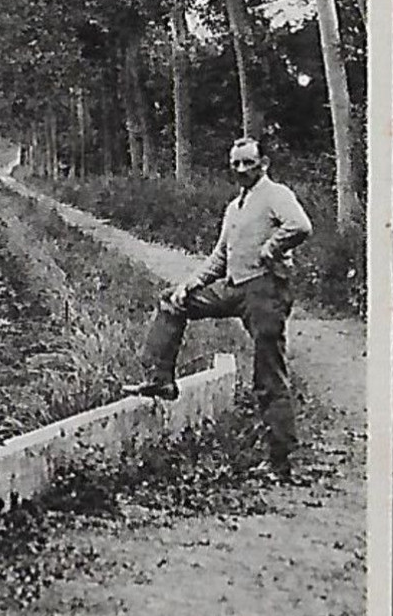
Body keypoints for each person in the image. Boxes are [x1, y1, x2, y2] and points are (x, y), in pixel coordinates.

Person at [122, 136, 312, 479]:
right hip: (234, 287)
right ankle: (161, 378)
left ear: (263, 164)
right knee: (171, 302)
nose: (241, 169)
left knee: (268, 375)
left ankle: (280, 463)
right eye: (235, 163)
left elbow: (300, 226)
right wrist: (188, 286)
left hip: (265, 291)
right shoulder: (235, 207)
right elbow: (220, 257)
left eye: (248, 163)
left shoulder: (276, 194)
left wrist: (271, 248)